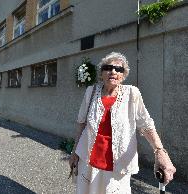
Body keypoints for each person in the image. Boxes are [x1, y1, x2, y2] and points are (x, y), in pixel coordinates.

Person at [69, 52, 176, 194]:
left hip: (117, 164)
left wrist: (160, 152)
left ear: (123, 75)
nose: (113, 71)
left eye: (118, 69)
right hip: (88, 161)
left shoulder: (132, 93)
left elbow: (146, 125)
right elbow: (82, 124)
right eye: (108, 67)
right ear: (101, 73)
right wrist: (74, 152)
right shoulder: (91, 91)